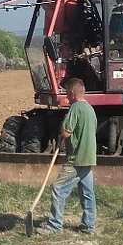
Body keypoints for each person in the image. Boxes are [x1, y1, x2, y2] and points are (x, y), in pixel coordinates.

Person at [38, 77, 98, 234]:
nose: (66, 96)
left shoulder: (75, 108)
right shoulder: (90, 110)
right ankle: (89, 226)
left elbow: (66, 132)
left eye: (67, 93)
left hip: (76, 159)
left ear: (72, 93)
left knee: (58, 188)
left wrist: (62, 127)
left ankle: (54, 226)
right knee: (87, 193)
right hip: (89, 157)